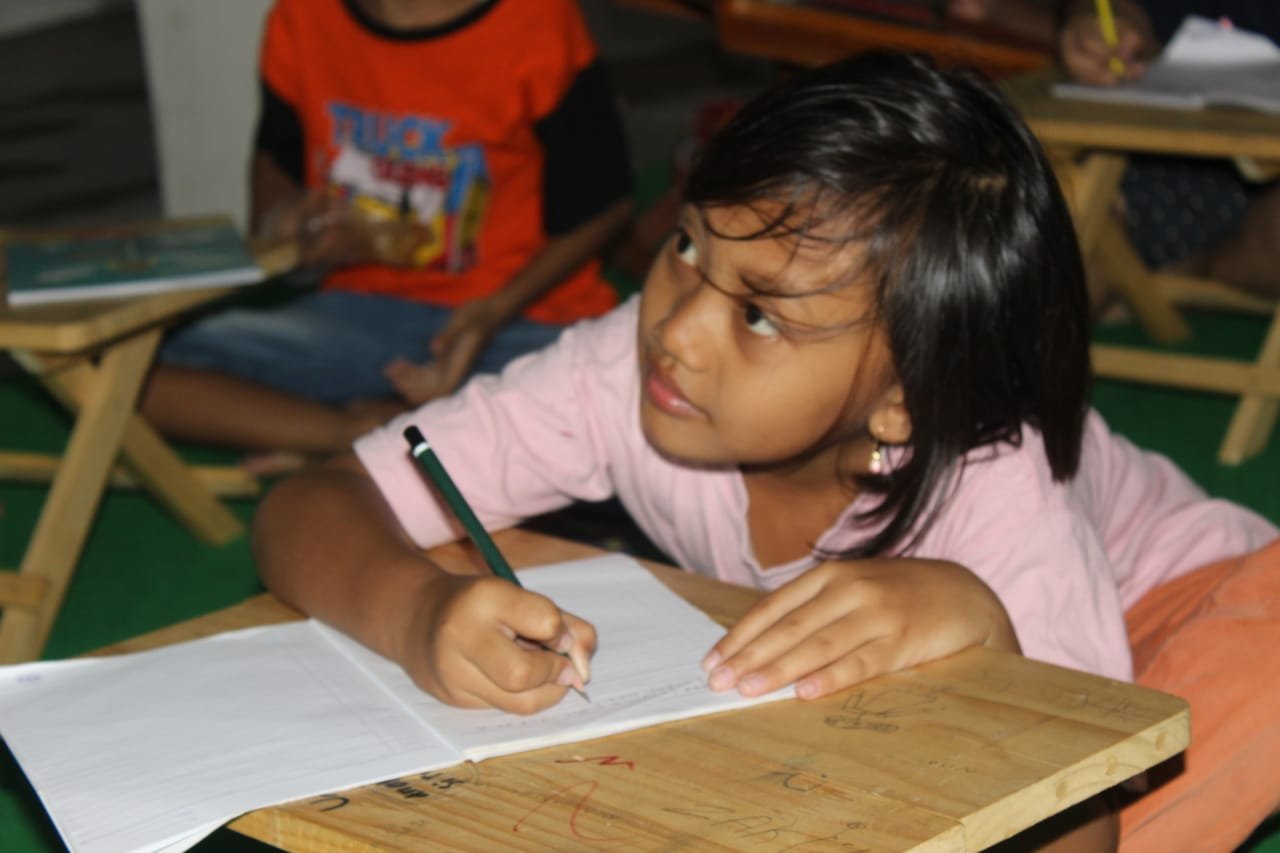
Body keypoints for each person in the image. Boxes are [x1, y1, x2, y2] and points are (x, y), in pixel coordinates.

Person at [253, 52, 1280, 851]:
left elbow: (1077, 821)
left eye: (758, 314)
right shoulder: (626, 366)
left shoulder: (996, 486)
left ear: (903, 404)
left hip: (1184, 603)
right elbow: (315, 502)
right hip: (941, 658)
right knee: (458, 557)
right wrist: (418, 614)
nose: (677, 327)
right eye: (687, 246)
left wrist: (986, 625)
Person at [139, 0, 634, 465]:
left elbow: (606, 205)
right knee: (129, 368)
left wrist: (492, 312)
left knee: (609, 404)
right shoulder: (303, 16)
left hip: (521, 316)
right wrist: (287, 230)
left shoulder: (535, 20)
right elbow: (277, 160)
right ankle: (361, 433)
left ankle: (350, 431)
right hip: (354, 316)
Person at [1057, 0, 1280, 297]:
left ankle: (1182, 279)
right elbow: (1130, 13)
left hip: (1255, 197)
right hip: (1159, 152)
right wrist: (1100, 29)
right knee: (1062, 219)